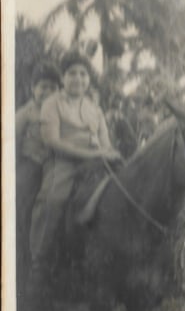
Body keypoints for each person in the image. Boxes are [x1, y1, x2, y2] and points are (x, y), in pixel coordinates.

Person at [28, 50, 121, 298]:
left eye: (82, 74)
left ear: (88, 79)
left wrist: (108, 155)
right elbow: (52, 141)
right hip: (63, 162)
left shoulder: (94, 109)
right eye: (71, 74)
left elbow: (106, 143)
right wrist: (90, 154)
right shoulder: (52, 103)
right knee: (52, 201)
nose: (77, 79)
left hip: (95, 162)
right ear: (63, 77)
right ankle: (39, 265)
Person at [16, 61, 62, 269]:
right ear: (33, 87)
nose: (47, 91)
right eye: (43, 86)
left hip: (53, 165)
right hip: (30, 164)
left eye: (53, 88)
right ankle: (22, 253)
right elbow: (13, 141)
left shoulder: (58, 112)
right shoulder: (26, 113)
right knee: (23, 200)